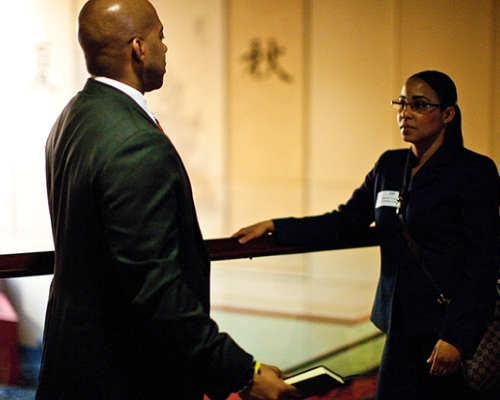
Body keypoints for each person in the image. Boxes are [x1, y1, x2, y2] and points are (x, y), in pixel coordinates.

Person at [37, 1, 300, 399]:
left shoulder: (72, 118)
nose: (165, 47)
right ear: (139, 49)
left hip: (73, 360)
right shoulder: (135, 143)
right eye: (161, 36)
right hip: (123, 374)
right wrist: (243, 373)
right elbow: (153, 285)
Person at [233, 70, 500, 400]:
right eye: (402, 103)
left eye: (419, 104)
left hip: (443, 330)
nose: (406, 113)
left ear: (447, 114)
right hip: (399, 328)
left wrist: (456, 337)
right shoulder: (389, 166)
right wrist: (277, 225)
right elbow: (344, 221)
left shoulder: (474, 172)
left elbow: (483, 262)